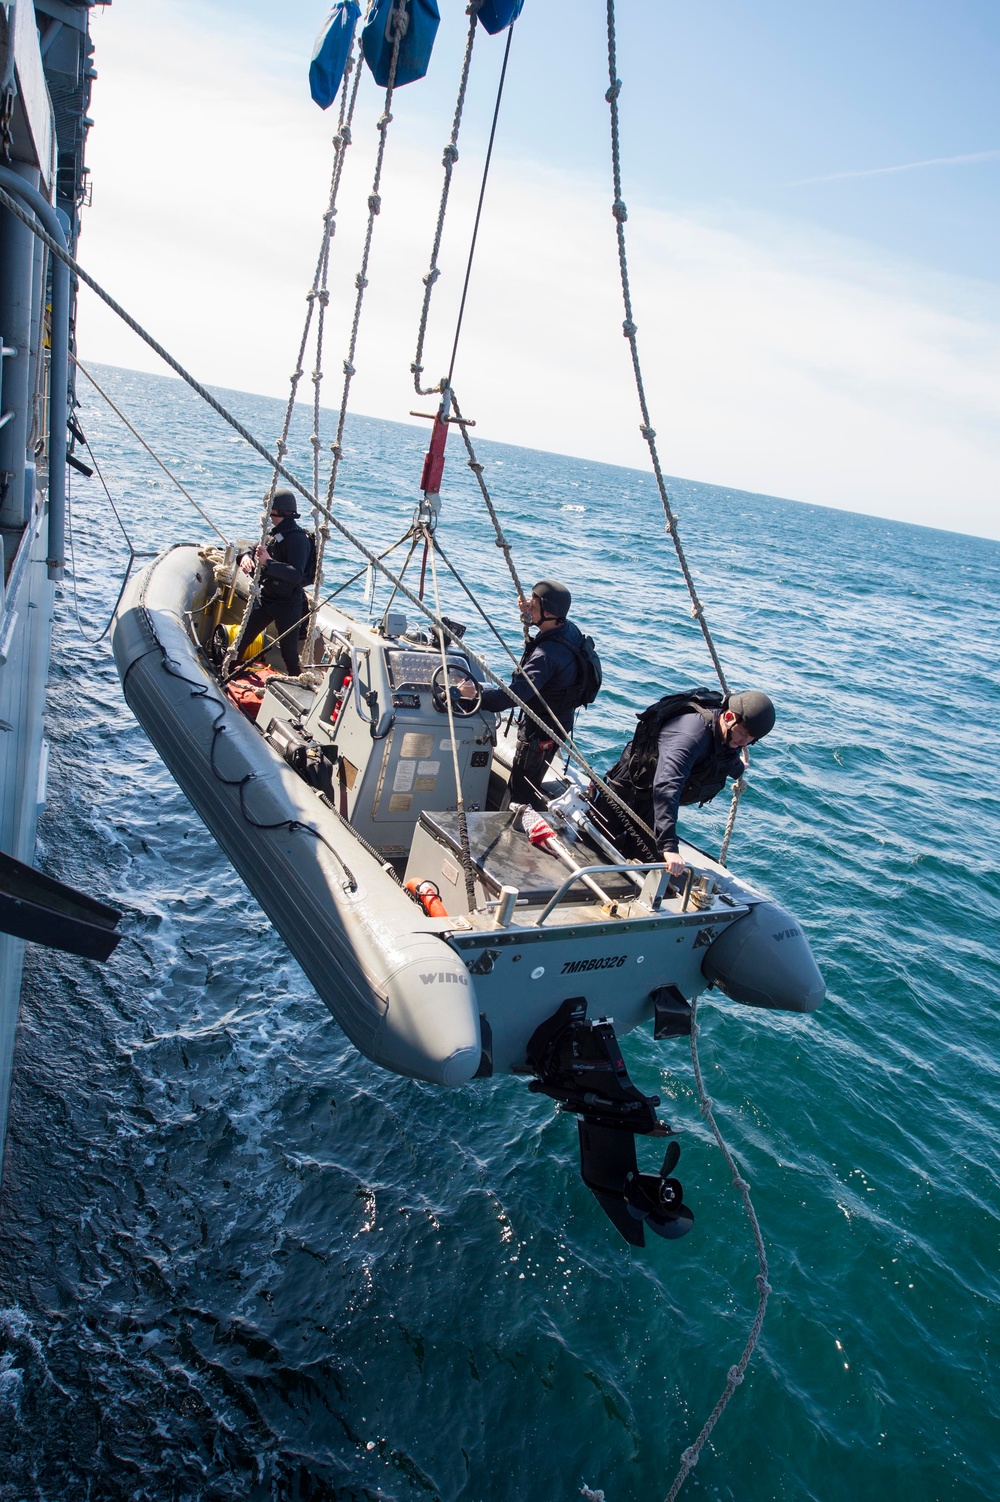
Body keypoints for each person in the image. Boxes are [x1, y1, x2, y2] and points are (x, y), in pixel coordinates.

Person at [592, 689, 776, 875]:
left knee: (649, 867)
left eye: (751, 739)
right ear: (728, 716)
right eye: (743, 734)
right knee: (595, 842)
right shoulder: (690, 735)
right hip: (631, 789)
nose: (744, 742)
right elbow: (667, 786)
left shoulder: (728, 735)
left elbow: (721, 755)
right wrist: (669, 847)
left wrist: (737, 768)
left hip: (655, 804)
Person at [459, 579, 595, 804]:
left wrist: (474, 695)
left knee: (519, 793)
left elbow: (510, 697)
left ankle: (515, 828)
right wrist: (531, 612)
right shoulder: (567, 629)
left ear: (549, 612)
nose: (528, 603)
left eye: (535, 601)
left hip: (539, 733)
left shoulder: (546, 656)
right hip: (558, 720)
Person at [236, 490, 312, 675]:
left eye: (269, 509)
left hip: (288, 603)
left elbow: (295, 574)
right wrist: (245, 557)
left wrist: (268, 563)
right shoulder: (274, 533)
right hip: (267, 597)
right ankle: (227, 670)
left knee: (289, 652)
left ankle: (296, 682)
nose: (266, 514)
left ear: (279, 511)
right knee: (243, 638)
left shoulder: (298, 539)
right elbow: (254, 547)